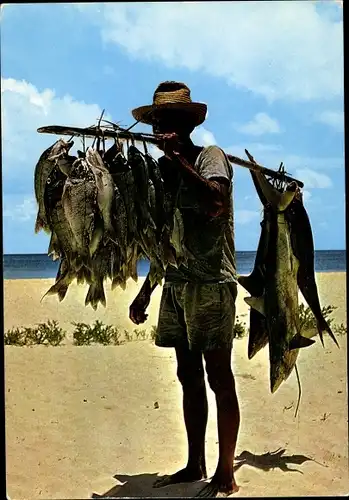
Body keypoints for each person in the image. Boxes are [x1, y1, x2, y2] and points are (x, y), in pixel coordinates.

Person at [129, 81, 240, 497]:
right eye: (156, 124)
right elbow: (164, 238)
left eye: (167, 122)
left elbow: (216, 202)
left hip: (212, 284)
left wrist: (178, 160)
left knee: (218, 377)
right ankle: (195, 463)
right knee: (187, 376)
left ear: (186, 124)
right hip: (176, 284)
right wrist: (147, 289)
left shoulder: (209, 157)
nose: (160, 131)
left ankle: (225, 470)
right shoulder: (160, 171)